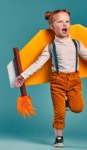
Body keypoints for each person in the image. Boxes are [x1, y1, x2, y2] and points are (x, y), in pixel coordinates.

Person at [14, 9, 87, 147]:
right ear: (52, 27)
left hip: (75, 81)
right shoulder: (51, 47)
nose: (65, 24)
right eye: (60, 22)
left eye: (67, 21)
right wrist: (23, 76)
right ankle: (59, 138)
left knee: (78, 108)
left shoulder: (76, 44)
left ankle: (67, 103)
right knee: (59, 112)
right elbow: (38, 64)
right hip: (57, 82)